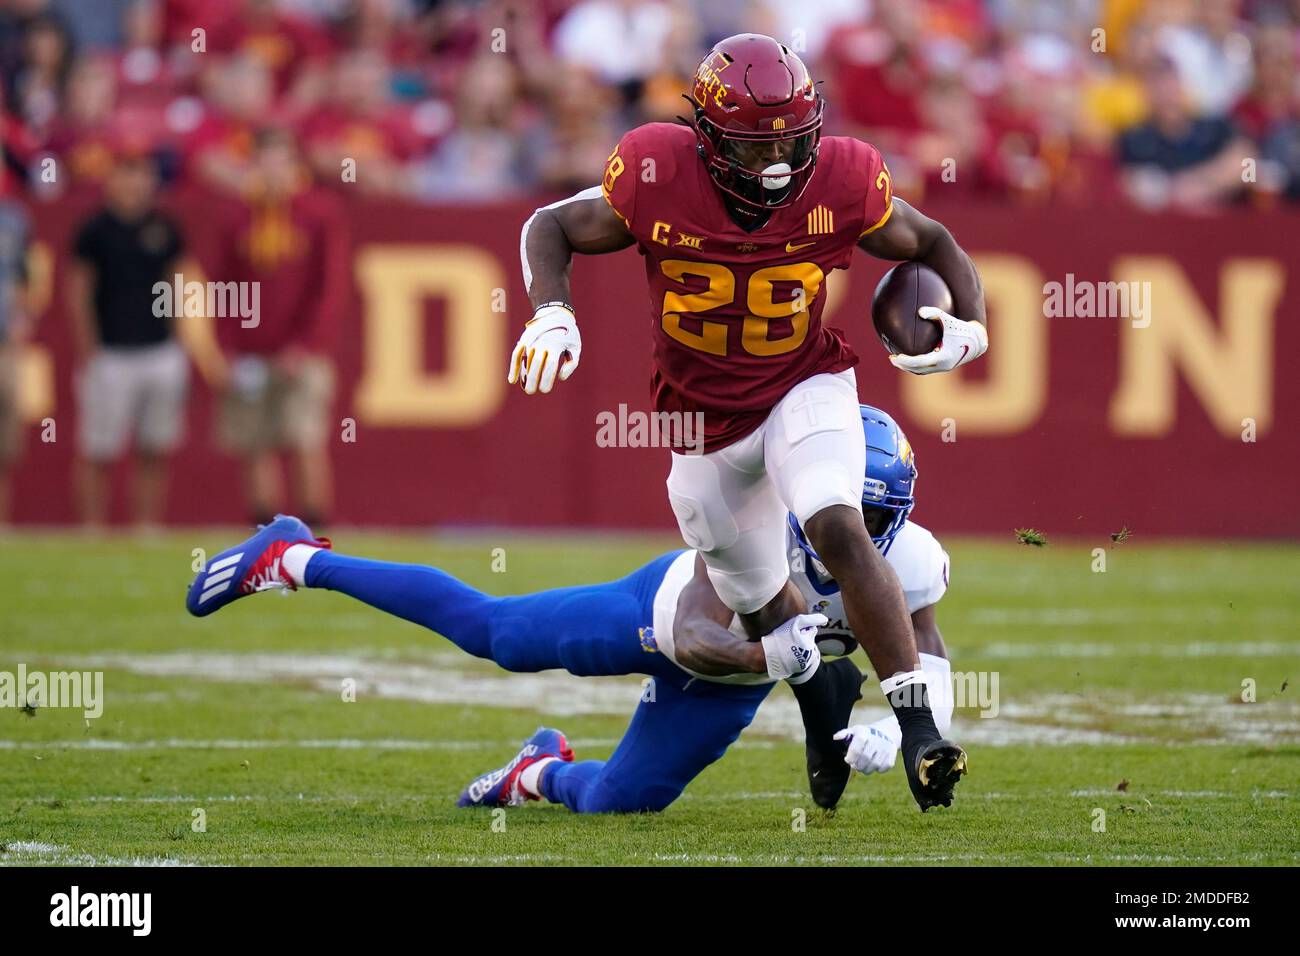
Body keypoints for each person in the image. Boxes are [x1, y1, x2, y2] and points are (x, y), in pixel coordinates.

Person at [510, 34, 984, 810]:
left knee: (835, 521)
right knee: (772, 610)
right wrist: (552, 312)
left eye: (792, 143)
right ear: (702, 135)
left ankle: (920, 727)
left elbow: (931, 239)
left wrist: (973, 320)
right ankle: (824, 722)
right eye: (751, 146)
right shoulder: (657, 170)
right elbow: (551, 224)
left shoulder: (844, 175)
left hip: (804, 382)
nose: (774, 166)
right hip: (703, 427)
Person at [185, 405, 957, 814]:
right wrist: (770, 657)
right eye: (841, 504)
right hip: (667, 619)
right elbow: (692, 635)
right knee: (499, 634)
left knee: (622, 804)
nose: (844, 527)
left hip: (746, 677)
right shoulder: (754, 522)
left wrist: (901, 723)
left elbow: (932, 656)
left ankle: (537, 772)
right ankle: (297, 558)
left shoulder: (911, 561)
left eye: (868, 513)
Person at [203, 127, 347, 527]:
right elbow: (222, 284)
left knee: (304, 438)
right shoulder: (236, 215)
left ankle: (316, 529)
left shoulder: (318, 213)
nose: (272, 171)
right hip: (250, 351)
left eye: (281, 161)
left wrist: (307, 344)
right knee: (254, 442)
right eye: (265, 160)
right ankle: (266, 529)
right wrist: (227, 346)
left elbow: (329, 287)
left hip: (301, 353)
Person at [68, 149, 189, 529]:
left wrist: (180, 341)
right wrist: (89, 348)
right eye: (126, 173)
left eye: (141, 174)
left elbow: (178, 283)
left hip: (159, 349)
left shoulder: (165, 226)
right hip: (111, 352)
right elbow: (78, 290)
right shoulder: (95, 229)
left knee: (155, 446)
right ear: (111, 179)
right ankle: (92, 525)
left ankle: (147, 525)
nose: (134, 183)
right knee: (98, 447)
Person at [0, 196, 29, 525]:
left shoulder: (12, 219)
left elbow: (23, 277)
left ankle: (2, 528)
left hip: (4, 342)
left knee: (5, 445)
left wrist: (21, 318)